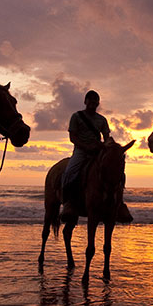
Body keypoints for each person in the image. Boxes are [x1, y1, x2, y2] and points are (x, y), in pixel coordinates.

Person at [61, 90, 131, 223]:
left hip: (98, 151)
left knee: (119, 173)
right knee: (69, 172)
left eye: (95, 100)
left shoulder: (102, 120)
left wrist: (110, 146)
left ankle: (119, 204)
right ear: (85, 101)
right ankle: (68, 203)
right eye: (90, 100)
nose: (93, 102)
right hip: (81, 151)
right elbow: (73, 137)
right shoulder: (76, 116)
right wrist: (85, 147)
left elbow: (106, 137)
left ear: (98, 103)